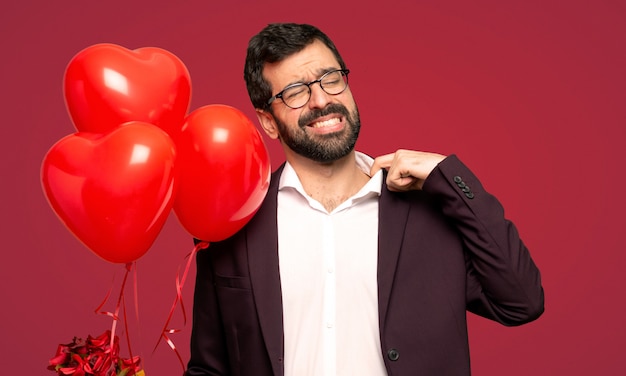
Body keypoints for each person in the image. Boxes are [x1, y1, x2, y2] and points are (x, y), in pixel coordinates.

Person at [185, 23, 544, 376]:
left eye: (331, 78)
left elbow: (521, 302)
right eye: (296, 91)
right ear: (268, 122)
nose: (323, 100)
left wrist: (447, 174)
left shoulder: (433, 211)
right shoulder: (236, 223)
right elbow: (209, 368)